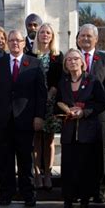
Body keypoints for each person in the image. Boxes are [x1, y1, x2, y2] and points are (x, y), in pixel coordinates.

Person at [0, 29, 47, 207]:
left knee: (25, 159)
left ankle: (28, 193)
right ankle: (6, 193)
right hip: (3, 119)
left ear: (24, 43)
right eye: (11, 40)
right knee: (4, 159)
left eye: (18, 41)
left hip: (26, 119)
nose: (15, 43)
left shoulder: (35, 64)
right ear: (7, 43)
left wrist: (39, 116)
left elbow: (41, 94)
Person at [54, 48, 105, 208]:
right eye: (68, 60)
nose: (72, 62)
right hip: (69, 132)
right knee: (68, 170)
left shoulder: (92, 80)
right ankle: (67, 205)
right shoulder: (63, 82)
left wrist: (85, 112)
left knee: (86, 170)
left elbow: (102, 103)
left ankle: (84, 207)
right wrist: (64, 110)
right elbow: (57, 103)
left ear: (82, 62)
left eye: (75, 59)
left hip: (88, 131)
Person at [77, 23, 105, 203]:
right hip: (78, 116)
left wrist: (93, 109)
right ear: (77, 38)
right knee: (81, 156)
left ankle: (99, 191)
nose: (85, 39)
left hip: (100, 115)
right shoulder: (73, 57)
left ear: (96, 39)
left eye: (88, 36)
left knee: (100, 155)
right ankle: (80, 189)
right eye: (82, 35)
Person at [29, 23, 63, 190]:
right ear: (38, 35)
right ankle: (36, 173)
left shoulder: (58, 55)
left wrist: (51, 92)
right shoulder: (30, 54)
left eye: (48, 32)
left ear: (52, 36)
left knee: (48, 138)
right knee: (36, 138)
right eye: (42, 32)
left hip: (51, 102)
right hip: (34, 102)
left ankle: (48, 174)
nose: (45, 35)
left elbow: (60, 78)